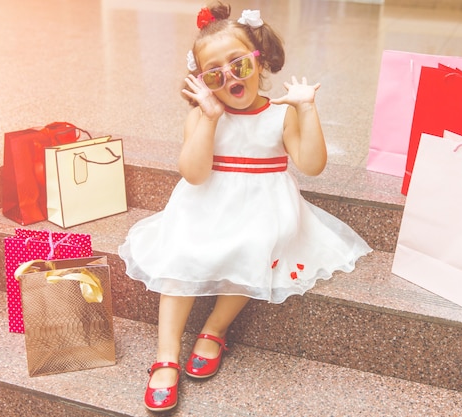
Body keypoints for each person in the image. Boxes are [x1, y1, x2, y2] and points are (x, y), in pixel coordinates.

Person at [118, 2, 372, 412]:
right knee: (181, 249)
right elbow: (195, 174)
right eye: (216, 74)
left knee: (256, 244)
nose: (231, 77)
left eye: (240, 65)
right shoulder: (204, 117)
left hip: (264, 206)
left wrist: (306, 108)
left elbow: (312, 164)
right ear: (202, 82)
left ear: (260, 60)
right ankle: (165, 356)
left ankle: (214, 329)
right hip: (206, 203)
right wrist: (211, 118)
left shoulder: (279, 115)